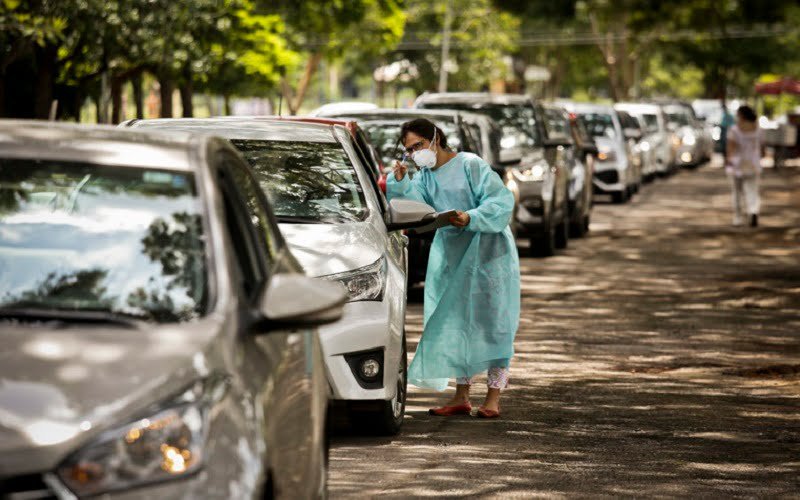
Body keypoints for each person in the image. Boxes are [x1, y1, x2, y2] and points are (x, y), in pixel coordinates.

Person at [387, 118, 520, 419]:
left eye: (418, 145)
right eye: (410, 150)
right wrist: (401, 182)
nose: (416, 153)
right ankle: (461, 396)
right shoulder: (423, 177)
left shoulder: (470, 164)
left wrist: (471, 217)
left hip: (488, 251)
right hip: (452, 254)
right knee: (459, 320)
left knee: (494, 320)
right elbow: (417, 209)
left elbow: (500, 201)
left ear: (435, 138)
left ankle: (493, 398)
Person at [725, 105, 762, 227]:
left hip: (737, 164)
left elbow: (730, 148)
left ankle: (738, 217)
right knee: (752, 190)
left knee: (737, 192)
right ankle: (753, 211)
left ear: (741, 115)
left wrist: (728, 160)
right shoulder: (757, 129)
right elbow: (761, 146)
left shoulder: (735, 130)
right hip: (753, 164)